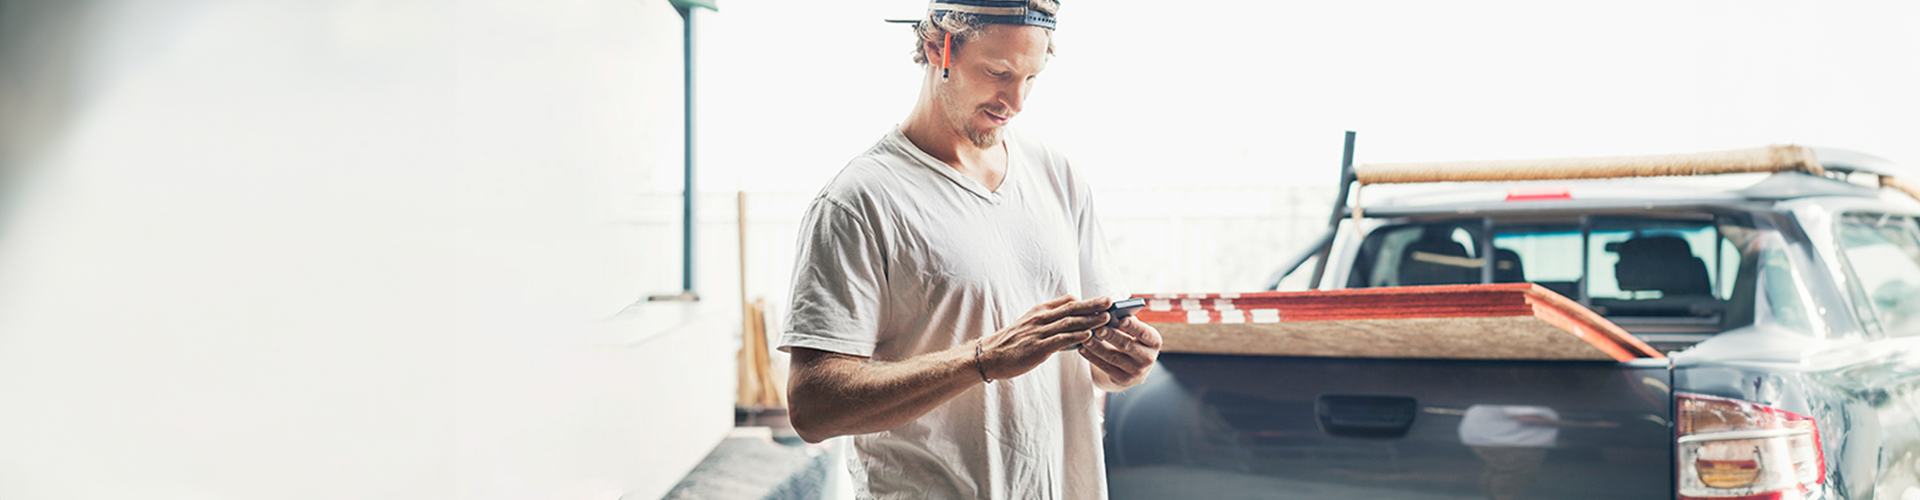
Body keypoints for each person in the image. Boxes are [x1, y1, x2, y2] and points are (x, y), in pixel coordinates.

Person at [776, 1, 1161, 498]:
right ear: (940, 47)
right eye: (997, 72)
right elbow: (813, 407)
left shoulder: (1058, 176)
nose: (1015, 100)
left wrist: (1123, 364)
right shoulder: (859, 201)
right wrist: (981, 360)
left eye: (1031, 78)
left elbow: (1093, 363)